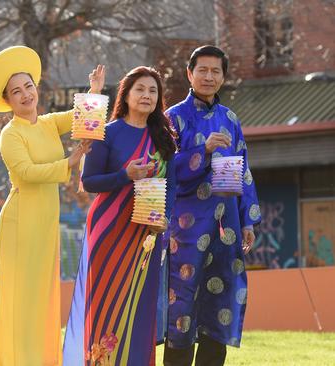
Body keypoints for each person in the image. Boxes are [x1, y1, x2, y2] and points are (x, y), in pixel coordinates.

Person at [0, 45, 104, 365]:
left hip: (46, 218)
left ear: (36, 88)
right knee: (23, 296)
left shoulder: (48, 123)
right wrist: (69, 162)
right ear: (7, 100)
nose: (24, 95)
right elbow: (26, 173)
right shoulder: (10, 134)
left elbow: (81, 117)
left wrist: (94, 91)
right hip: (21, 220)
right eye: (15, 91)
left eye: (28, 87)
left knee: (44, 296)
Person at [63, 66, 177, 365]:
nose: (147, 95)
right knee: (107, 303)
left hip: (147, 234)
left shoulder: (164, 137)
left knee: (140, 306)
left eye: (153, 91)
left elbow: (172, 185)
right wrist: (125, 175)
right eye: (140, 89)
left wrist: (165, 217)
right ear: (126, 95)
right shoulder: (107, 132)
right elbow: (89, 182)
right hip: (110, 229)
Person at [163, 45, 261, 366]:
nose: (208, 76)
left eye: (215, 71)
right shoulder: (173, 118)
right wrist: (202, 151)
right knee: (182, 306)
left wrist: (246, 220)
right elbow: (163, 172)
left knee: (219, 305)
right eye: (202, 70)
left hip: (225, 228)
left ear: (223, 77)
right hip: (186, 230)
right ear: (189, 74)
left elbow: (240, 172)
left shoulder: (229, 119)